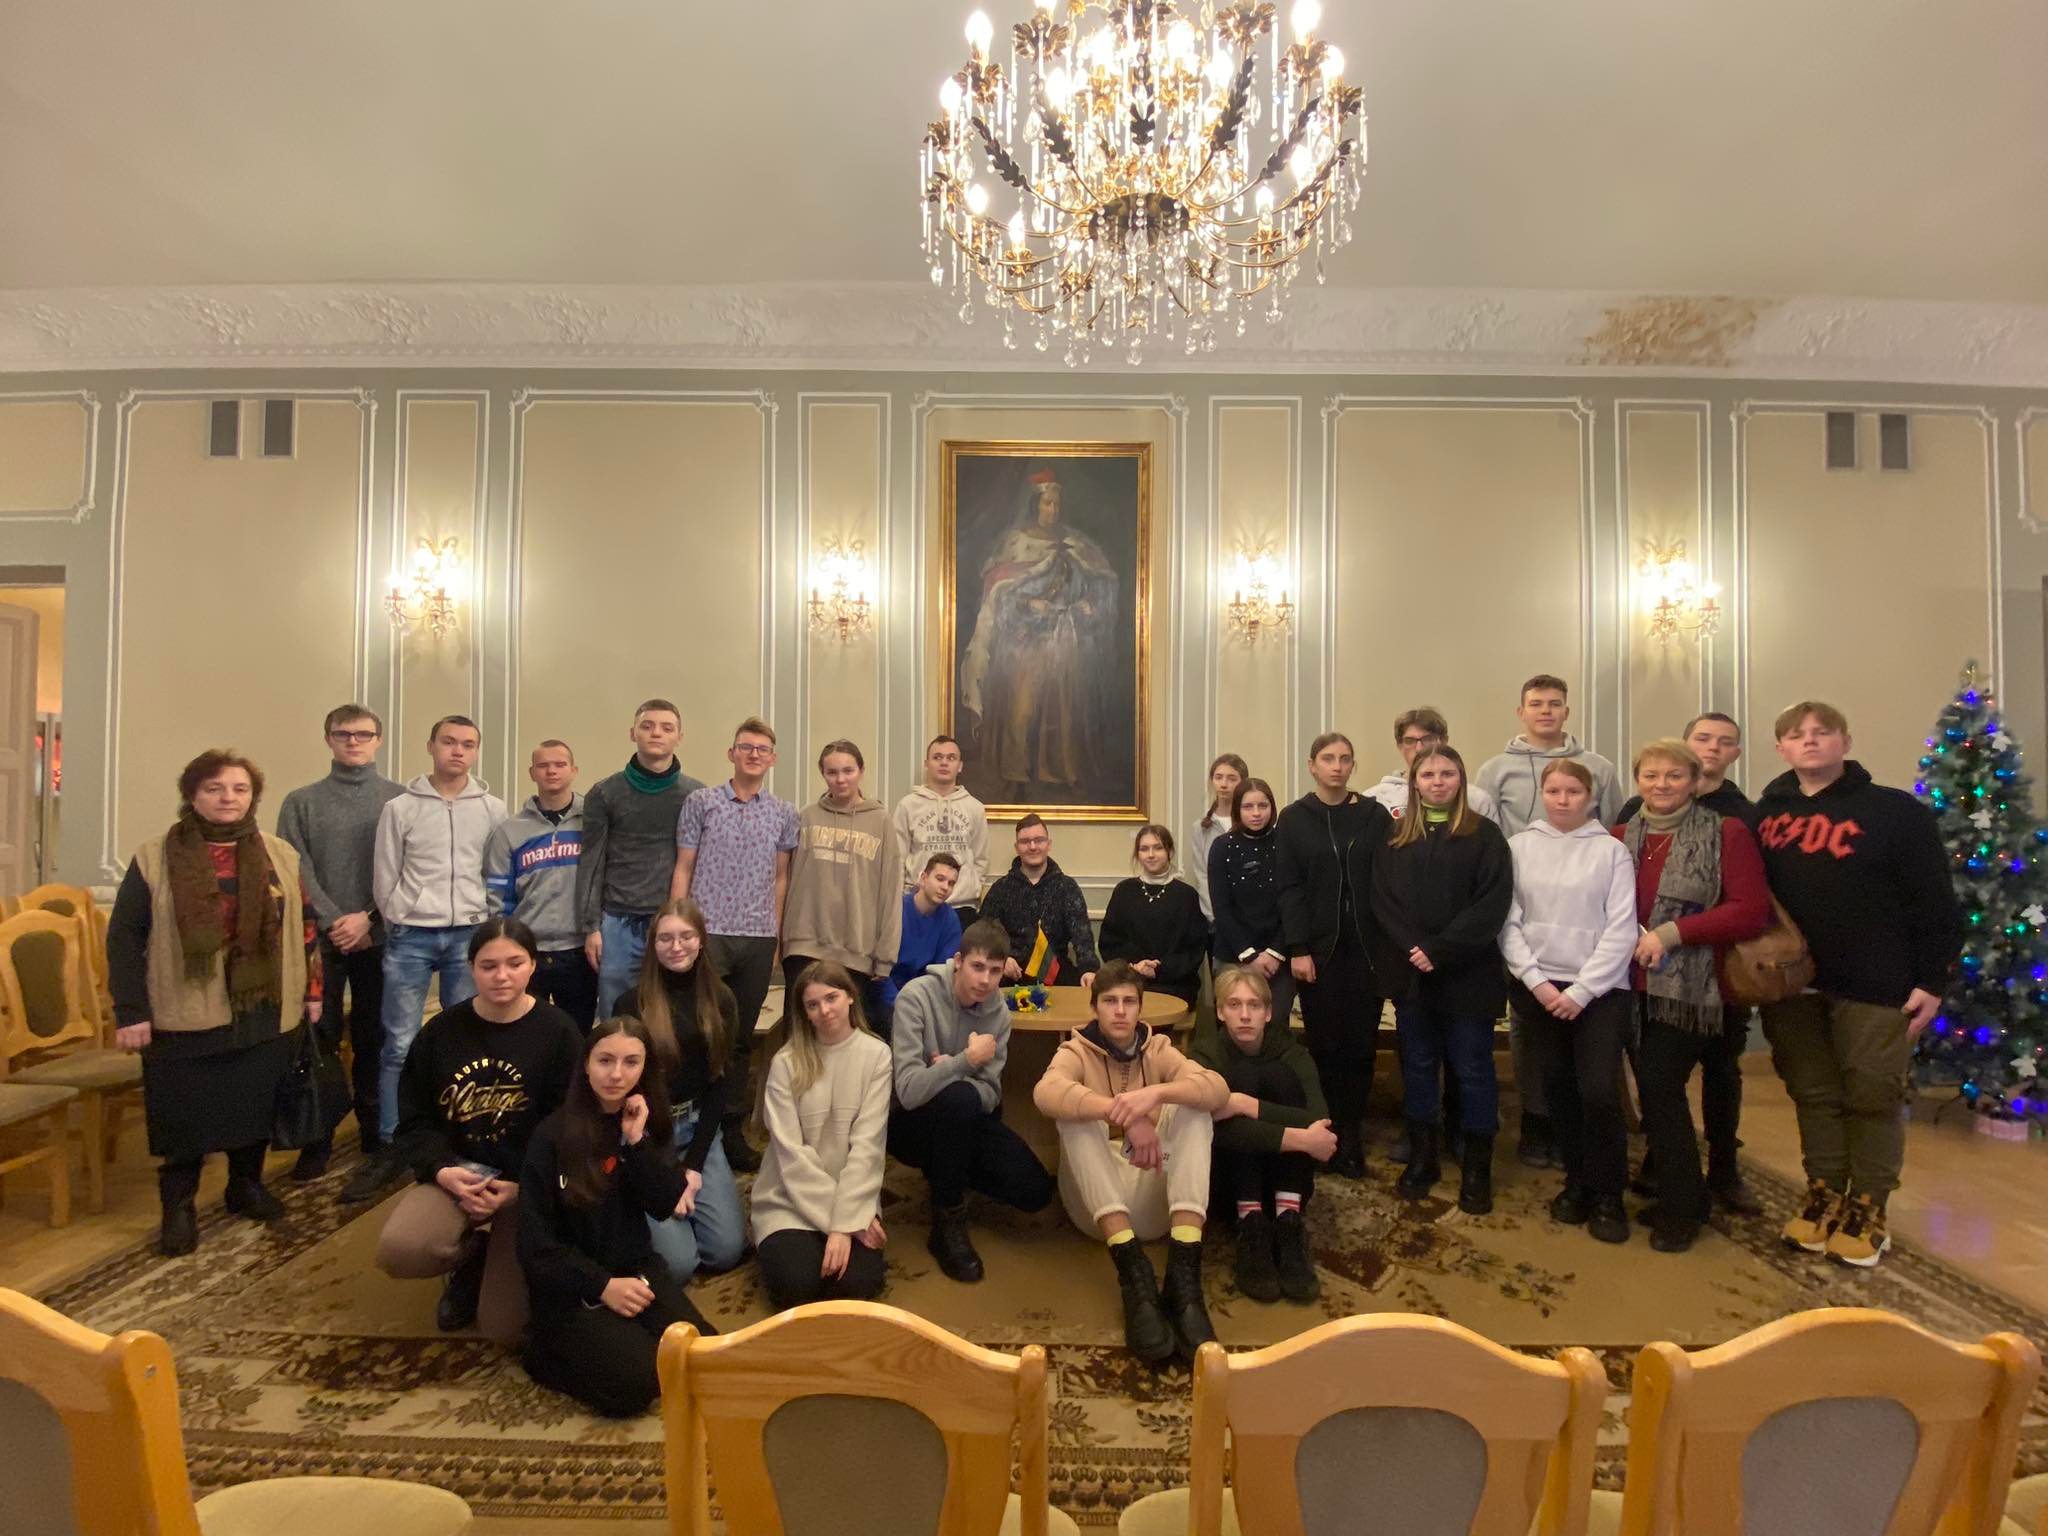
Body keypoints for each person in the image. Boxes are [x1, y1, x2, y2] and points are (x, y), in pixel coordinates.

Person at [1756, 702, 1962, 1268]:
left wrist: (1932, 979)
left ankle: (1869, 1207)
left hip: (1877, 982)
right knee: (1813, 1093)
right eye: (1797, 735)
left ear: (1845, 741)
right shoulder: (1763, 816)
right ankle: (1823, 1194)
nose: (1810, 742)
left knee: (1872, 1094)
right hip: (1792, 983)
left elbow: (1935, 903)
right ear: (1781, 748)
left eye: (1822, 733)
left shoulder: (1895, 812)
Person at [109, 749, 322, 1256]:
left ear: (253, 796)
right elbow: (124, 937)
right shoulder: (155, 856)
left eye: (240, 789)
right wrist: (131, 1012)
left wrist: (313, 992)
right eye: (215, 788)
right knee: (183, 1116)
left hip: (263, 1005)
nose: (229, 798)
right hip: (184, 1012)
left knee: (254, 1104)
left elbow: (305, 926)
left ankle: (245, 1186)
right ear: (192, 794)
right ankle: (179, 1208)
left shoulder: (279, 853)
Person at [375, 919, 583, 1335]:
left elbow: (572, 1128)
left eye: (514, 963)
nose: (501, 976)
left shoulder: (560, 1032)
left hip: (528, 1183)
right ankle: (472, 1257)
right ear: (471, 968)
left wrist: (521, 1187)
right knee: (401, 1250)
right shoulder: (440, 1034)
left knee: (503, 1327)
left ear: (533, 965)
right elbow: (414, 1121)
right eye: (489, 966)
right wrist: (441, 1170)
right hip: (459, 1175)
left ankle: (505, 1258)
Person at [517, 1017, 716, 1418]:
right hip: (573, 1287)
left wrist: (636, 1142)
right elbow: (536, 1246)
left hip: (635, 1269)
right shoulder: (550, 1136)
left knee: (703, 1352)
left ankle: (621, 1336)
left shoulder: (643, 1122)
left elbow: (664, 1203)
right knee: (637, 1384)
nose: (616, 1074)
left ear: (645, 1068)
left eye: (631, 1062)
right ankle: (543, 1352)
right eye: (605, 1060)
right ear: (586, 1064)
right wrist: (603, 1286)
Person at [1617, 738, 1770, 1254]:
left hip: (1692, 986)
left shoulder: (1725, 832)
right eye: (1651, 775)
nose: (1661, 785)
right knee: (1654, 1092)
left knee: (1659, 1087)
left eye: (1674, 775)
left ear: (1695, 781)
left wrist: (1672, 934)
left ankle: (1684, 1207)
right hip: (1631, 984)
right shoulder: (1621, 835)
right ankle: (1681, 1191)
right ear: (1638, 780)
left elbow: (1749, 910)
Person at [1034, 962, 1227, 1364]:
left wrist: (1156, 1095)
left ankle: (1184, 1277)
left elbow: (1217, 1089)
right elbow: (1045, 1092)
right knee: (1074, 1114)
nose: (1120, 1011)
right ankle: (1135, 1276)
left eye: (1128, 1002)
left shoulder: (1159, 1049)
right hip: (1098, 1211)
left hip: (1156, 1195)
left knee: (1195, 1107)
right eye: (1110, 1001)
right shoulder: (1073, 1051)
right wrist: (1122, 1114)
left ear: (1140, 1008)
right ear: (1094, 1008)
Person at [351, 715, 507, 1204]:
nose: (458, 751)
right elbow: (385, 873)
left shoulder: (493, 809)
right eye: (449, 742)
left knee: (463, 1041)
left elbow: (497, 870)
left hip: (468, 936)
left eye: (468, 744)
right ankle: (393, 1140)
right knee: (399, 1042)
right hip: (412, 936)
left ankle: (455, 1132)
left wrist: (486, 920)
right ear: (431, 746)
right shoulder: (401, 808)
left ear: (476, 751)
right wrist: (400, 915)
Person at [1474, 676, 1623, 1172]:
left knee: (1589, 1055)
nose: (1545, 711)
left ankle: (1581, 1136)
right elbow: (1488, 837)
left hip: (1584, 918)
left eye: (1554, 704)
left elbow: (1614, 828)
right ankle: (1537, 1120)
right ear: (1521, 711)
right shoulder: (1496, 769)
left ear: (1566, 711)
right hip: (1525, 910)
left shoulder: (1598, 767)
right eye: (1536, 704)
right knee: (1531, 1036)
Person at [1370, 745, 1514, 1215]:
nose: (1437, 782)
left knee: (1472, 1069)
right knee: (1417, 1065)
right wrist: (1416, 948)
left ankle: (1477, 1168)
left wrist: (1441, 949)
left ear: (1461, 779)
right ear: (1414, 781)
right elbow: (1382, 900)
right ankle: (1423, 1158)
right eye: (1428, 774)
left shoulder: (1485, 835)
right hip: (1413, 976)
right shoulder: (1395, 836)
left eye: (1447, 773)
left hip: (1469, 975)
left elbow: (1492, 904)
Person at [1499, 760, 1638, 1244]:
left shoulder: (1611, 851)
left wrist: (1581, 991)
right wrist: (1537, 983)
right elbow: (1508, 922)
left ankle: (1609, 1194)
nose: (1562, 800)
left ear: (1590, 796)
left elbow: (1621, 928)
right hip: (1539, 987)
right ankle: (1577, 1181)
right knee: (1557, 1088)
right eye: (1554, 791)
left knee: (1598, 1091)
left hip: (1598, 991)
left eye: (1573, 791)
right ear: (1543, 794)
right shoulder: (1519, 847)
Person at [275, 704, 403, 1182]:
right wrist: (337, 922)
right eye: (343, 733)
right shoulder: (300, 802)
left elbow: (408, 869)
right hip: (321, 942)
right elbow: (295, 868)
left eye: (363, 734)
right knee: (319, 1039)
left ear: (378, 740)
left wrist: (367, 918)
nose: (353, 741)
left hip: (381, 936)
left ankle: (374, 1130)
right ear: (328, 738)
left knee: (375, 1037)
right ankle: (319, 1138)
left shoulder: (400, 799)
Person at [888, 920, 1056, 1282]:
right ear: (959, 961)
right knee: (960, 1096)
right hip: (910, 1125)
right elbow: (909, 1091)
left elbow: (991, 1096)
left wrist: (948, 1070)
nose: (985, 980)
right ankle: (947, 1217)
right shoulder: (916, 997)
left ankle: (947, 1168)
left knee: (1036, 1192)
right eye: (977, 967)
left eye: (995, 971)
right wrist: (966, 1062)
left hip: (966, 1118)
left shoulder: (998, 1013)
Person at [672, 716, 796, 1174]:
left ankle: (731, 1130)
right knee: (697, 1031)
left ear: (772, 759)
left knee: (741, 1038)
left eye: (762, 749)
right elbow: (684, 866)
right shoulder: (702, 803)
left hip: (758, 938)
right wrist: (677, 927)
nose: (754, 755)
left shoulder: (783, 813)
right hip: (706, 935)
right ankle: (687, 1124)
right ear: (732, 753)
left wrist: (777, 935)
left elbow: (781, 878)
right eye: (746, 747)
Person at [958, 465, 1122, 802]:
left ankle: (1060, 773)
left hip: (1065, 636)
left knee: (1064, 711)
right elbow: (997, 593)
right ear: (1035, 505)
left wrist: (1088, 604)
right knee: (1021, 707)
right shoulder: (1015, 543)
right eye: (1047, 503)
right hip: (1024, 640)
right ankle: (1014, 773)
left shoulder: (1075, 544)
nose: (1053, 510)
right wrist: (1029, 604)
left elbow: (1099, 585)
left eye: (1057, 504)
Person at [611, 901, 747, 1283]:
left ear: (701, 940)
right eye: (665, 938)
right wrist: (664, 1180)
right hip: (649, 1136)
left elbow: (720, 1084)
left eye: (686, 936)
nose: (676, 946)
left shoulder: (721, 999)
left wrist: (695, 1167)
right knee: (679, 1265)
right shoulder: (631, 1003)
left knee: (725, 1251)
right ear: (653, 945)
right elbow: (621, 1089)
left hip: (698, 1127)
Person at [1275, 732, 1391, 1179]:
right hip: (1317, 952)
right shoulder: (1294, 818)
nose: (1337, 766)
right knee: (1324, 1047)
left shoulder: (1374, 816)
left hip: (1366, 950)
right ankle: (1325, 1132)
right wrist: (1298, 947)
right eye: (1328, 758)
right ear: (1312, 765)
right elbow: (1289, 888)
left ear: (1353, 765)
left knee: (1360, 1047)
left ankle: (1352, 1134)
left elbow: (1387, 880)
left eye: (1345, 759)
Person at [749, 962, 894, 1311]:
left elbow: (867, 1147)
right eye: (812, 1005)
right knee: (796, 1283)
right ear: (804, 1013)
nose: (824, 1010)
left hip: (852, 1195)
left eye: (831, 998)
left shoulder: (877, 1055)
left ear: (850, 997)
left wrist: (845, 1224)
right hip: (788, 1198)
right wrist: (843, 1224)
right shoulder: (786, 1063)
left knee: (858, 1283)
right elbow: (790, 1155)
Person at [1192, 966, 1335, 1304]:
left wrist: (1245, 1104)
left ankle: (1288, 1221)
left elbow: (1319, 1121)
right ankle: (1251, 1223)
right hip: (1231, 1183)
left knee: (1278, 1078)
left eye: (1254, 1005)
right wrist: (1302, 1139)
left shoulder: (1293, 1052)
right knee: (1241, 1076)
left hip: (1288, 1179)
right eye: (1234, 1005)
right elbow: (1208, 1129)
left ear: (1268, 1012)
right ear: (1221, 1012)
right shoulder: (1204, 1055)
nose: (1245, 1015)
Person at [577, 699, 704, 1020]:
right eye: (647, 727)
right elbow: (591, 863)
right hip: (617, 921)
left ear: (679, 737)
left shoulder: (696, 796)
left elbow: (700, 866)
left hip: (671, 922)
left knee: (672, 1014)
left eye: (666, 728)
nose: (656, 733)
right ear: (633, 733)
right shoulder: (604, 793)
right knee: (617, 1013)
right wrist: (591, 927)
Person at [484, 739, 595, 1030]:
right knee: (526, 1032)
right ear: (532, 773)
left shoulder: (593, 823)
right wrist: (505, 941)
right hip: (527, 950)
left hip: (579, 949)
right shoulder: (510, 831)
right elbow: (498, 893)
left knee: (578, 1032)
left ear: (574, 770)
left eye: (560, 765)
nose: (552, 771)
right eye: (543, 765)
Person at [780, 739, 901, 1001]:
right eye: (832, 772)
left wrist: (885, 956)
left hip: (854, 950)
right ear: (822, 774)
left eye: (848, 771)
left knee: (841, 1025)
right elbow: (786, 880)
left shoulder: (881, 821)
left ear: (861, 770)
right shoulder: (807, 816)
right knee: (799, 1023)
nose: (841, 779)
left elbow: (890, 892)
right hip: (803, 945)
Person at [1207, 777, 1293, 1038]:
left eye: (1262, 806)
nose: (1256, 813)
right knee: (1234, 1030)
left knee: (1274, 1030)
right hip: (1233, 953)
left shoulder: (1287, 844)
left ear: (1272, 807)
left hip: (1278, 956)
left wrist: (1274, 953)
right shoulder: (1222, 847)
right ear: (1237, 809)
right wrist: (1250, 956)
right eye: (1248, 806)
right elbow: (1221, 908)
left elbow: (1293, 903)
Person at [979, 815, 1100, 987]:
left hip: (1057, 975)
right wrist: (1001, 959)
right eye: (1025, 841)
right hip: (1011, 976)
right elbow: (984, 934)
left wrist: (1089, 970)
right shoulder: (1001, 889)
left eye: (1039, 840)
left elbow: (1083, 936)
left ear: (1048, 844)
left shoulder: (1067, 887)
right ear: (1016, 847)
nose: (1032, 846)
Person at [1099, 824, 1211, 1007]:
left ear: (1169, 851)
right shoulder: (1124, 891)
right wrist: (1135, 966)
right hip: (1128, 982)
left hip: (1175, 986)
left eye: (1158, 848)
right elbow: (1110, 941)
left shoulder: (1187, 895)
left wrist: (1159, 969)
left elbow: (1193, 950)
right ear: (1138, 854)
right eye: (1144, 849)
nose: (1151, 855)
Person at [892, 734, 990, 924]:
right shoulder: (907, 806)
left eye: (951, 758)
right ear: (926, 764)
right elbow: (897, 858)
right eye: (937, 757)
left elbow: (981, 859)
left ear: (960, 766)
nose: (944, 762)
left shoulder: (975, 808)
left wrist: (972, 887)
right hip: (918, 905)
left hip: (962, 907)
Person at [872, 854, 966, 1032]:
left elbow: (942, 973)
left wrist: (918, 1006)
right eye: (940, 879)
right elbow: (881, 969)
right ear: (923, 878)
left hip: (923, 997)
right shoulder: (895, 909)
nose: (945, 887)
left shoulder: (950, 920)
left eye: (951, 883)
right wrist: (901, 1004)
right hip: (885, 993)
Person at [1366, 709, 1497, 822]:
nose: (1419, 748)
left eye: (1428, 739)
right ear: (1399, 746)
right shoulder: (1376, 799)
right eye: (1410, 741)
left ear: (1444, 741)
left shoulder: (1476, 799)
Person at [1188, 753, 1249, 921]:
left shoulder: (1251, 823)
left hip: (1250, 915)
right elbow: (1202, 875)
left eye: (1231, 778)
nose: (1224, 784)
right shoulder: (1201, 828)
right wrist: (1215, 914)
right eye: (1218, 777)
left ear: (1243, 782)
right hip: (1216, 917)